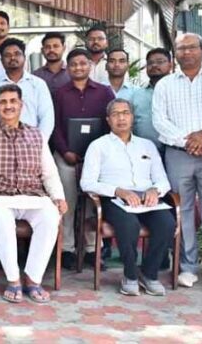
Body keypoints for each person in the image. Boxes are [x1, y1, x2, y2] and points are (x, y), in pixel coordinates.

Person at [0, 84, 66, 303]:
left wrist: (58, 197)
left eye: (13, 101)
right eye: (3, 102)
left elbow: (49, 173)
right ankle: (13, 280)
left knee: (51, 217)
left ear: (21, 105)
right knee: (1, 219)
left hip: (33, 197)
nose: (8, 106)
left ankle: (33, 279)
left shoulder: (36, 135)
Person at [152, 33, 202, 291]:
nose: (186, 52)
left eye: (192, 47)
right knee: (181, 211)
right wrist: (188, 141)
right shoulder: (165, 84)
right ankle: (187, 266)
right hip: (178, 155)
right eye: (181, 48)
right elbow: (159, 120)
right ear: (175, 53)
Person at [80, 99, 175, 297]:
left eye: (125, 113)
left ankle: (149, 274)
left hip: (146, 199)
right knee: (129, 224)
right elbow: (86, 183)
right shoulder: (98, 146)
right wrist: (118, 191)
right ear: (108, 120)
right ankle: (130, 275)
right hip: (114, 199)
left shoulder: (147, 145)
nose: (121, 118)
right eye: (115, 114)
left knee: (167, 223)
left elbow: (163, 180)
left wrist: (155, 190)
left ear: (132, 117)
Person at [51, 48, 115, 270]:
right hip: (66, 156)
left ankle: (91, 249)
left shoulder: (104, 92)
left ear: (90, 66)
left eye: (82, 63)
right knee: (66, 201)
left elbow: (110, 124)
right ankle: (67, 248)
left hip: (97, 158)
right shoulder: (59, 93)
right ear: (67, 68)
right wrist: (65, 151)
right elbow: (54, 126)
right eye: (73, 64)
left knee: (92, 202)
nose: (78, 67)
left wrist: (98, 154)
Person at [0, 38, 54, 138]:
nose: (12, 58)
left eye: (17, 54)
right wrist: (0, 142)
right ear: (1, 60)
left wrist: (39, 141)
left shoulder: (38, 84)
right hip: (1, 142)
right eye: (7, 55)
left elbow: (47, 118)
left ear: (24, 57)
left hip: (33, 141)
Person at [128, 48, 172, 151]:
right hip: (143, 151)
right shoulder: (137, 95)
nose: (154, 65)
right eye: (150, 63)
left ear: (170, 65)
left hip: (175, 150)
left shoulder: (179, 90)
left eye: (160, 62)